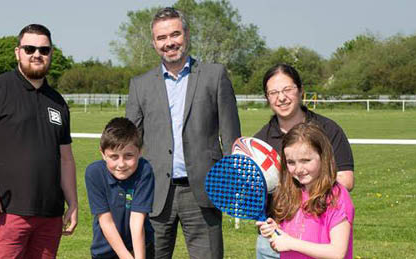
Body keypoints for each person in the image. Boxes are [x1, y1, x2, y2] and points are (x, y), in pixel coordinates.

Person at [125, 7, 241, 259]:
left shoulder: (215, 75)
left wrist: (234, 184)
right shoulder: (140, 85)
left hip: (203, 190)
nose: (169, 43)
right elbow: (128, 143)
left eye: (174, 34)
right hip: (154, 193)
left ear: (186, 35)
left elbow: (232, 137)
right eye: (161, 38)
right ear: (154, 43)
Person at [0, 24, 78, 259]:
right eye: (29, 48)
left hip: (50, 216)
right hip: (8, 212)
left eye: (44, 50)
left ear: (51, 54)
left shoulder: (57, 101)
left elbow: (66, 158)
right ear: (18, 51)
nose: (37, 54)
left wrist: (73, 203)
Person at [254, 63, 355, 259]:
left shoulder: (328, 129)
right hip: (278, 233)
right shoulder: (260, 141)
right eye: (273, 92)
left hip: (318, 234)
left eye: (287, 90)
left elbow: (346, 179)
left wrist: (302, 200)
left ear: (300, 90)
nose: (281, 97)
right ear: (267, 98)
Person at [256, 122, 355, 259]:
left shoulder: (336, 197)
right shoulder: (290, 194)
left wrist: (290, 243)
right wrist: (276, 233)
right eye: (291, 162)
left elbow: (337, 252)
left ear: (323, 157)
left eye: (306, 160)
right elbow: (286, 246)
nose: (298, 169)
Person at [85, 117, 156, 259]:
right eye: (114, 157)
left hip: (138, 248)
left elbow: (137, 222)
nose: (121, 164)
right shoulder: (94, 173)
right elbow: (106, 222)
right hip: (105, 251)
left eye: (128, 156)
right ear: (103, 154)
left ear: (140, 152)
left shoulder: (144, 170)